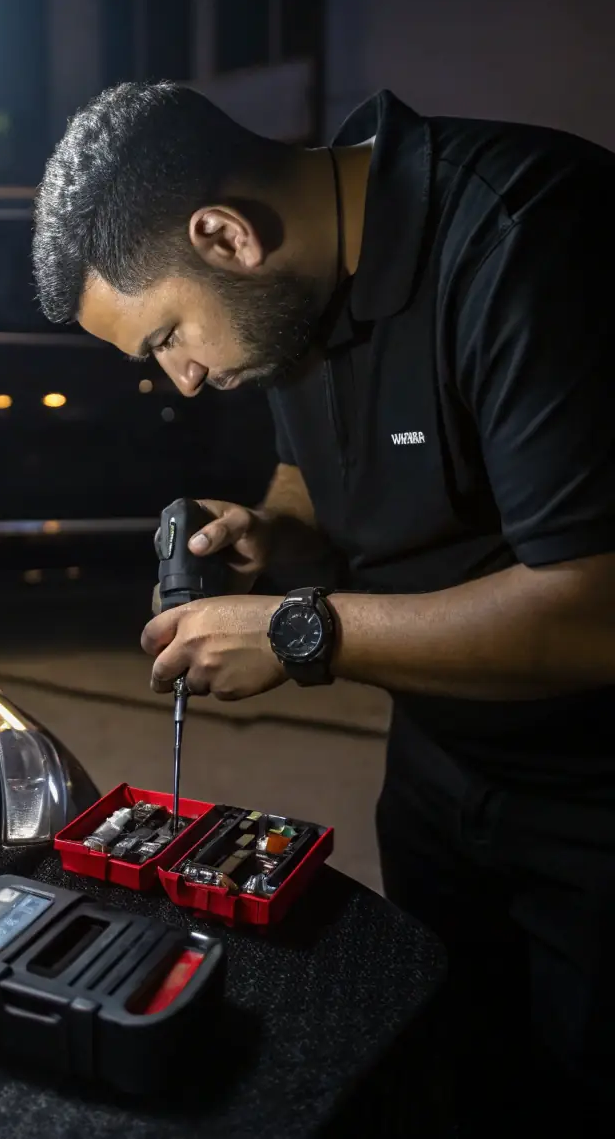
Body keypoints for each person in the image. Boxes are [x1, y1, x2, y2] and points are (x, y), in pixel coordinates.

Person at [31, 81, 615, 1131]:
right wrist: (274, 535)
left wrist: (306, 631)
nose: (184, 380)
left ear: (222, 235)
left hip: (594, 801)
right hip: (442, 771)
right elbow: (313, 473)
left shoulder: (533, 239)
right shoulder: (299, 281)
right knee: (455, 1062)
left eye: (165, 335)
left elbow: (594, 607)